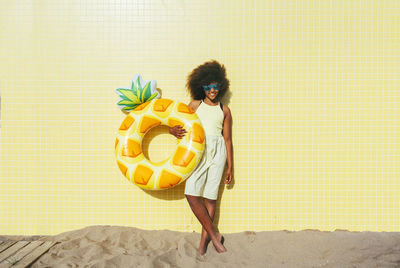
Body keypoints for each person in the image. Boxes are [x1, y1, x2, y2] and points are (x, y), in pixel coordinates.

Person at [169, 60, 233, 255]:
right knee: (191, 193)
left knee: (210, 197)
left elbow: (228, 139)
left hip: (218, 151)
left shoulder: (224, 110)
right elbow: (180, 123)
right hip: (199, 149)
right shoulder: (195, 105)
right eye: (208, 86)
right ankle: (215, 235)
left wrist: (230, 167)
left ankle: (203, 243)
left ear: (220, 86)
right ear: (202, 87)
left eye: (215, 86)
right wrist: (172, 130)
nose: (212, 90)